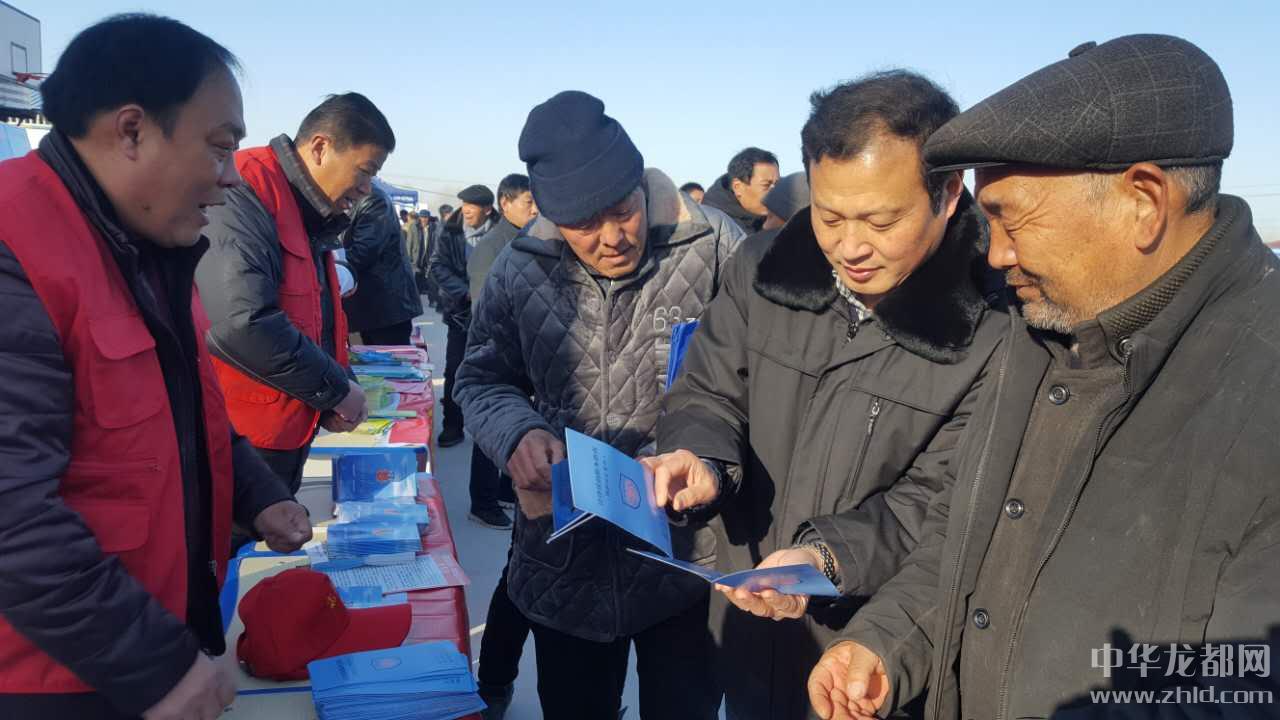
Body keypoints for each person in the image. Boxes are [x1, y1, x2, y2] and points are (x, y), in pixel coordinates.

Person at [808, 35, 1280, 720]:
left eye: (1011, 219)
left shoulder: (1262, 385)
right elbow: (960, 537)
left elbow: (1244, 688)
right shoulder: (1039, 331)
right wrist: (885, 642)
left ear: (1143, 202)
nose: (997, 255)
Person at [643, 71, 1007, 719]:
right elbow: (707, 389)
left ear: (949, 193)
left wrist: (824, 558)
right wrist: (700, 458)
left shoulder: (993, 329)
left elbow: (940, 501)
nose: (850, 247)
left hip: (867, 645)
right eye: (830, 216)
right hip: (747, 614)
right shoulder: (762, 269)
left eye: (881, 220)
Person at [0, 15, 312, 720]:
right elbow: (11, 514)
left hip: (147, 632)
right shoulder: (16, 245)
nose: (229, 178)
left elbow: (184, 417)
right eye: (220, 147)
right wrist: (154, 665)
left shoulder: (147, 250)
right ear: (132, 131)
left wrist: (258, 494)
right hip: (56, 680)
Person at [455, 90, 745, 720]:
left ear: (640, 184)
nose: (613, 238)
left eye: (623, 211)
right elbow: (480, 379)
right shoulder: (520, 268)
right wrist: (517, 434)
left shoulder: (713, 246)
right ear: (552, 216)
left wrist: (713, 461)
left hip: (688, 555)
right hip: (566, 561)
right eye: (585, 225)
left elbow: (762, 379)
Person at [196, 92, 395, 497]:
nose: (365, 189)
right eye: (364, 172)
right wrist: (336, 390)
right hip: (241, 439)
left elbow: (316, 316)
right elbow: (241, 322)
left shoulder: (311, 211)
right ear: (320, 147)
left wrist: (337, 389)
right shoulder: (245, 187)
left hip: (286, 425)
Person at [466, 173, 538, 529]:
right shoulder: (493, 247)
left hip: (525, 352)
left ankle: (502, 489)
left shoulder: (528, 240)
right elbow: (484, 309)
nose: (535, 209)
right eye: (528, 202)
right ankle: (482, 501)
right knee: (491, 429)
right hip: (500, 354)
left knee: (519, 427)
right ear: (505, 203)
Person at [430, 185, 496, 448]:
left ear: (487, 209)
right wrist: (466, 293)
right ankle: (452, 425)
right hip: (460, 313)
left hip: (494, 314)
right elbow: (437, 265)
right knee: (455, 369)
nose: (466, 210)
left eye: (472, 206)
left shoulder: (502, 232)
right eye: (464, 205)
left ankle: (490, 429)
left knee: (491, 373)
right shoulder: (450, 231)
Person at [341, 184, 423, 346]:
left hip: (384, 307)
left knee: (389, 358)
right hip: (368, 307)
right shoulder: (352, 199)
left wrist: (326, 265)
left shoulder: (373, 200)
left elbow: (363, 252)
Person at [701, 147, 780, 232]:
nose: (775, 193)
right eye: (766, 185)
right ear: (737, 187)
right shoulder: (712, 224)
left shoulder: (780, 215)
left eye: (777, 184)